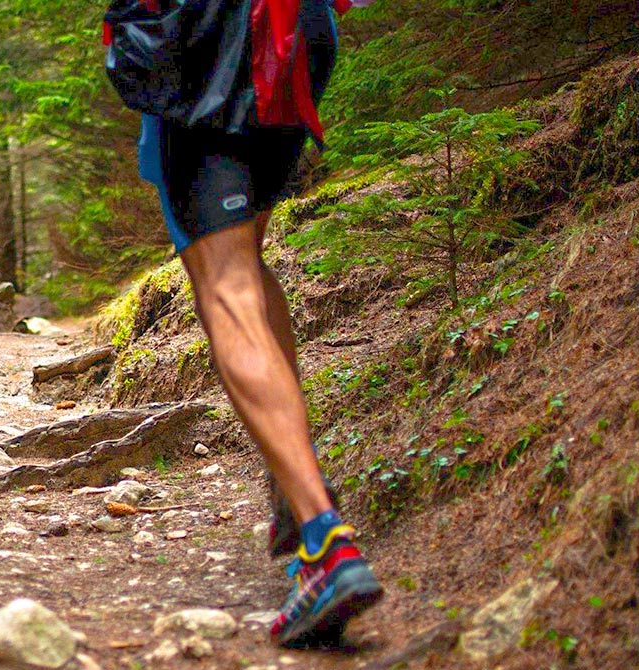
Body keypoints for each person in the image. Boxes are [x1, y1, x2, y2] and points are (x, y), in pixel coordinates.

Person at [111, 0, 381, 646]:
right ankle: (295, 487)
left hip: (207, 35)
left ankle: (325, 543)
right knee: (246, 267)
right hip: (301, 35)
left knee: (225, 286)